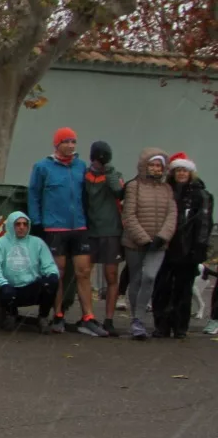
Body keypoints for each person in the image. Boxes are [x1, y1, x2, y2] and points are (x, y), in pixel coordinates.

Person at [28, 127, 106, 335]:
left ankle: (88, 316)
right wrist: (36, 222)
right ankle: (58, 314)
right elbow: (34, 194)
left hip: (79, 226)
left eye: (73, 142)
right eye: (66, 142)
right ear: (57, 144)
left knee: (84, 272)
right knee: (58, 273)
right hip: (55, 227)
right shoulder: (42, 167)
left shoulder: (80, 166)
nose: (71, 146)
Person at [121, 148, 176, 340]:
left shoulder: (167, 189)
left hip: (159, 244)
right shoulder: (133, 186)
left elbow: (172, 215)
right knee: (136, 278)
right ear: (145, 166)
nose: (155, 169)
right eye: (152, 165)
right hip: (135, 243)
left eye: (158, 166)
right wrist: (143, 238)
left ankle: (141, 316)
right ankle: (137, 321)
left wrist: (162, 237)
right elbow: (129, 214)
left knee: (150, 277)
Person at [155, 154, 212, 338]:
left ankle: (181, 327)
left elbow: (204, 223)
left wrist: (199, 248)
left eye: (184, 170)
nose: (181, 174)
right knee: (162, 287)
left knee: (184, 288)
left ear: (190, 172)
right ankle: (162, 325)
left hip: (188, 248)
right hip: (167, 246)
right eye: (178, 170)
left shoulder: (201, 195)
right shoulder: (166, 191)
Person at [0, 211, 60, 332]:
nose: (22, 227)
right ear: (11, 225)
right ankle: (10, 314)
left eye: (25, 224)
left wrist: (52, 274)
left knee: (51, 284)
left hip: (31, 286)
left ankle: (43, 317)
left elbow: (49, 264)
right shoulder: (1, 243)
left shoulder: (37, 243)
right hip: (10, 287)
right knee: (5, 293)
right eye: (18, 224)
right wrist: (3, 283)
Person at [83, 141, 126, 335]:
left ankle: (109, 319)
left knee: (111, 276)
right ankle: (88, 316)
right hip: (90, 231)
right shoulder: (84, 176)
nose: (99, 163)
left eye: (102, 159)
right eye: (97, 159)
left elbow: (119, 191)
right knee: (84, 274)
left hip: (111, 232)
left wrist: (108, 171)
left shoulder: (114, 176)